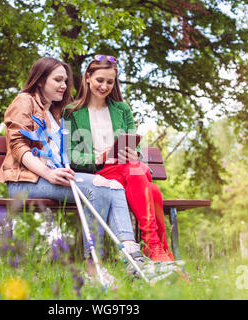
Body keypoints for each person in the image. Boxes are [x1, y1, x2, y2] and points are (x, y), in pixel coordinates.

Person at [0, 57, 168, 285]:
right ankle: (92, 268)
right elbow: (18, 147)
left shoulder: (53, 111)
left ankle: (132, 256)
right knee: (97, 186)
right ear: (40, 80)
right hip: (26, 181)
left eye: (65, 81)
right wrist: (50, 174)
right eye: (58, 80)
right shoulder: (24, 101)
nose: (64, 86)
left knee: (113, 185)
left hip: (54, 177)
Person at [64, 54, 174, 262]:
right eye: (99, 80)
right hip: (99, 174)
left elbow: (136, 147)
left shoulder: (122, 110)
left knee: (143, 179)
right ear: (87, 77)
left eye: (109, 81)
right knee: (152, 191)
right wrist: (101, 156)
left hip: (127, 172)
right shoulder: (72, 113)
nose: (104, 86)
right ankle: (155, 247)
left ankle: (155, 249)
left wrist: (134, 153)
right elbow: (70, 156)